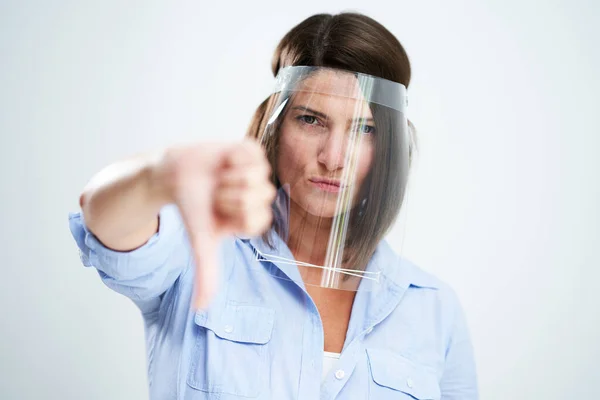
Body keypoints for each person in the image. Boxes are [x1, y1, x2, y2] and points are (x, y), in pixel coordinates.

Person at [68, 12, 478, 400]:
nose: (334, 157)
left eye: (364, 128)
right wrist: (159, 176)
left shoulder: (434, 308)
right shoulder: (198, 252)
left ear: (388, 147)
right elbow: (105, 224)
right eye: (311, 119)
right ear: (276, 126)